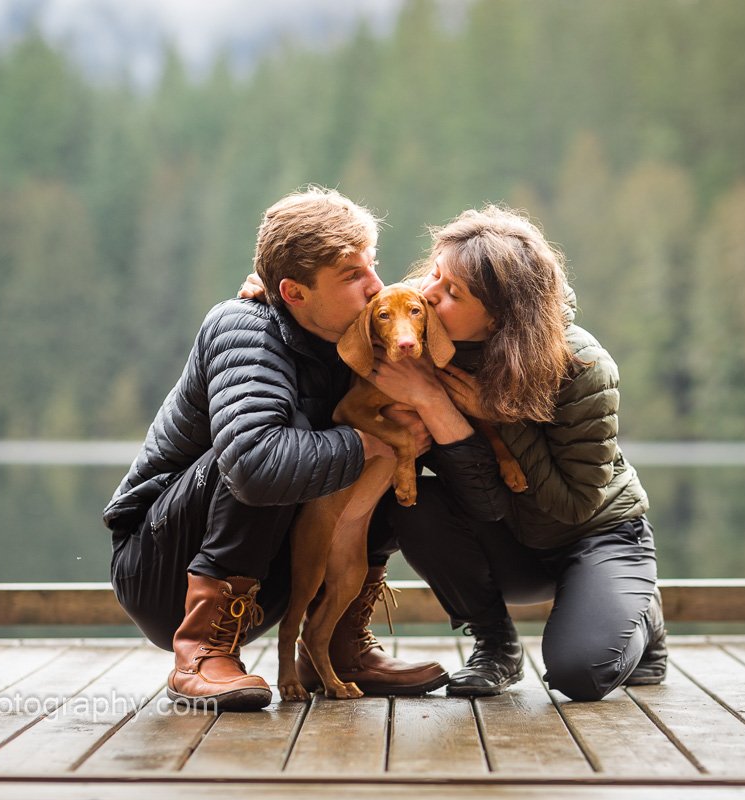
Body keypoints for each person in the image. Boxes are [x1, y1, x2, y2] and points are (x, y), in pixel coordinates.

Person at [103, 187, 499, 710]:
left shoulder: (357, 337)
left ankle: (334, 643)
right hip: (162, 569)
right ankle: (202, 650)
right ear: (293, 293)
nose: (375, 285)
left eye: (372, 265)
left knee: (396, 454)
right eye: (352, 275)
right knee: (264, 450)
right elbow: (253, 467)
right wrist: (372, 440)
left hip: (272, 575)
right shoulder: (244, 326)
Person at [362, 205, 666, 701]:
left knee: (580, 675)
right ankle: (496, 645)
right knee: (408, 502)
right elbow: (348, 319)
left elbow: (574, 506)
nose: (428, 293)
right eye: (434, 273)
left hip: (594, 536)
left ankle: (641, 614)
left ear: (501, 315)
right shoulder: (418, 336)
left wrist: (496, 413)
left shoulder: (582, 366)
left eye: (452, 291)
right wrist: (271, 295)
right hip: (508, 535)